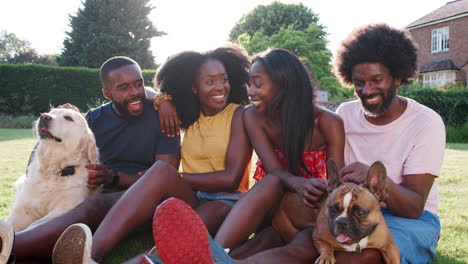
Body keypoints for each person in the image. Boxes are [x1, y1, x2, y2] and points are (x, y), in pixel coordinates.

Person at [143, 23, 445, 264]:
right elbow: (328, 176)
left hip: (405, 218)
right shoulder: (346, 113)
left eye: (377, 80)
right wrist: (162, 97)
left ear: (398, 76)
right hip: (335, 207)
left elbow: (415, 207)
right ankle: (214, 258)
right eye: (358, 82)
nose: (367, 90)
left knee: (357, 256)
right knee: (305, 244)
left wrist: (378, 181)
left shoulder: (425, 122)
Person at [51, 44, 253, 264]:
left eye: (224, 79)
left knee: (175, 236)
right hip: (195, 196)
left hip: (227, 200)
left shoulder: (240, 115)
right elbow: (138, 91)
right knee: (159, 173)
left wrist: (180, 178)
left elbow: (232, 178)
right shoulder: (189, 115)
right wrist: (163, 100)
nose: (220, 87)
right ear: (194, 88)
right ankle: (90, 256)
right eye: (210, 81)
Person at [140, 48, 346, 264]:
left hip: (309, 207)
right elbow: (274, 170)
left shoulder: (328, 122)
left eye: (258, 84)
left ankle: (215, 258)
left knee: (273, 246)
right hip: (270, 204)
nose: (250, 92)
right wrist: (162, 99)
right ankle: (215, 255)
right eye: (250, 84)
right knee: (273, 183)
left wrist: (309, 188)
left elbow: (336, 182)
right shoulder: (254, 117)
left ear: (283, 85)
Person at [0, 56, 181, 264]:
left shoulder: (164, 119)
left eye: (139, 84)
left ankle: (11, 246)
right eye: (123, 88)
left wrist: (113, 177)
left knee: (90, 205)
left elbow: (163, 180)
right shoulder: (94, 119)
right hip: (100, 192)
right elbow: (55, 140)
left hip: (141, 199)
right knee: (82, 204)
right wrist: (59, 121)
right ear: (107, 93)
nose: (134, 92)